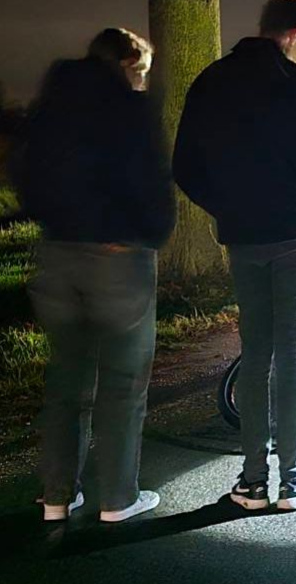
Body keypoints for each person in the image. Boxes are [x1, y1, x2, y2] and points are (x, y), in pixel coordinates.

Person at [175, 0, 296, 512]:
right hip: (295, 234)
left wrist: (228, 206)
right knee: (293, 353)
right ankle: (294, 478)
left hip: (242, 235)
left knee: (255, 352)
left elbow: (185, 166)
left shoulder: (211, 81)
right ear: (295, 35)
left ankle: (251, 480)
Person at [11, 27, 174, 523]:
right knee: (123, 385)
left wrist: (54, 220)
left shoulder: (49, 109)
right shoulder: (128, 111)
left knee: (66, 380)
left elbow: (20, 169)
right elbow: (150, 179)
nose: (142, 80)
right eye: (141, 71)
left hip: (58, 252)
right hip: (118, 256)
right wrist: (148, 231)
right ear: (127, 62)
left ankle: (57, 495)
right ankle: (118, 498)